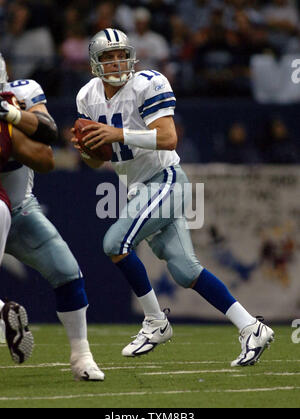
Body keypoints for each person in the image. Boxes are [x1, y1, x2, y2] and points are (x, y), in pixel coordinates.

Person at [72, 28, 274, 367]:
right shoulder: (86, 97)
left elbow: (168, 138)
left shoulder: (148, 83)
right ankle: (251, 327)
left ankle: (155, 322)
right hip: (138, 187)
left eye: (122, 54)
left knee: (114, 243)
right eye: (109, 57)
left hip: (166, 180)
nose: (117, 61)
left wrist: (117, 133)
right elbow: (98, 160)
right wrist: (88, 149)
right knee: (184, 270)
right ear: (95, 62)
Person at [0, 53, 104, 381]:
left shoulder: (23, 92)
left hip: (17, 208)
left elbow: (46, 156)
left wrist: (10, 126)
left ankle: (82, 355)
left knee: (66, 270)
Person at [0, 89, 54, 363]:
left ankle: (1, 316)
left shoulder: (9, 108)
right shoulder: (9, 107)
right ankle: (2, 317)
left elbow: (47, 139)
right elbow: (46, 146)